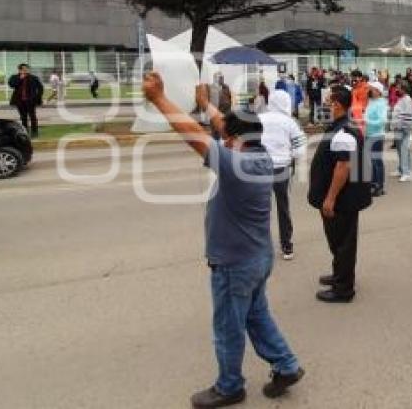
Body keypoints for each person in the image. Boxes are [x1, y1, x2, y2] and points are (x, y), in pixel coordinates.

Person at [142, 73, 304, 408]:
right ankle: (286, 365)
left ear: (231, 138)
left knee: (229, 327)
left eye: (225, 135)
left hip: (235, 264)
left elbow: (195, 135)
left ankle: (230, 387)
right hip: (257, 258)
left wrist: (159, 99)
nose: (221, 136)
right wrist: (205, 104)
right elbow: (220, 126)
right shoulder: (259, 156)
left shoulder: (234, 163)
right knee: (257, 316)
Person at [308, 87, 370, 303]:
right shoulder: (342, 127)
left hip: (342, 200)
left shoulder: (344, 132)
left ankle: (343, 289)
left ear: (337, 104)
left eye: (328, 101)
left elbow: (343, 167)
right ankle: (339, 275)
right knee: (338, 241)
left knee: (342, 242)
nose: (325, 104)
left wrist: (331, 198)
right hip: (343, 198)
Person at [260, 89, 307, 261]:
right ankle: (286, 246)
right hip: (282, 168)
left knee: (260, 208)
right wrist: (291, 157)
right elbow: (300, 148)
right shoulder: (290, 122)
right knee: (283, 207)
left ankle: (260, 246)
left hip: (260, 168)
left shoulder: (259, 119)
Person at [364, 81, 388, 197]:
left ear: (378, 91)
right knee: (371, 161)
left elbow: (382, 120)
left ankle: (379, 185)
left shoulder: (381, 103)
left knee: (376, 161)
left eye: (372, 89)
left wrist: (367, 121)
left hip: (377, 135)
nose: (370, 91)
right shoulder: (371, 101)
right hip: (368, 134)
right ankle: (373, 183)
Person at [8, 63, 43, 138]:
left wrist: (37, 97)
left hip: (30, 101)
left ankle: (34, 132)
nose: (25, 70)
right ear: (19, 70)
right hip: (20, 101)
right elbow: (12, 85)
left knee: (32, 116)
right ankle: (25, 132)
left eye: (26, 69)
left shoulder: (33, 78)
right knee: (23, 117)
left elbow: (40, 88)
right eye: (23, 69)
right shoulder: (14, 77)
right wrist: (20, 78)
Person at [391, 81, 412, 182]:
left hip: (403, 128)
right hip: (398, 128)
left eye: (399, 88)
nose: (397, 89)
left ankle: (406, 172)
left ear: (404, 89)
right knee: (399, 150)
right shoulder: (401, 99)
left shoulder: (407, 99)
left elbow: (408, 115)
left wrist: (402, 127)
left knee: (404, 150)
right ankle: (401, 169)